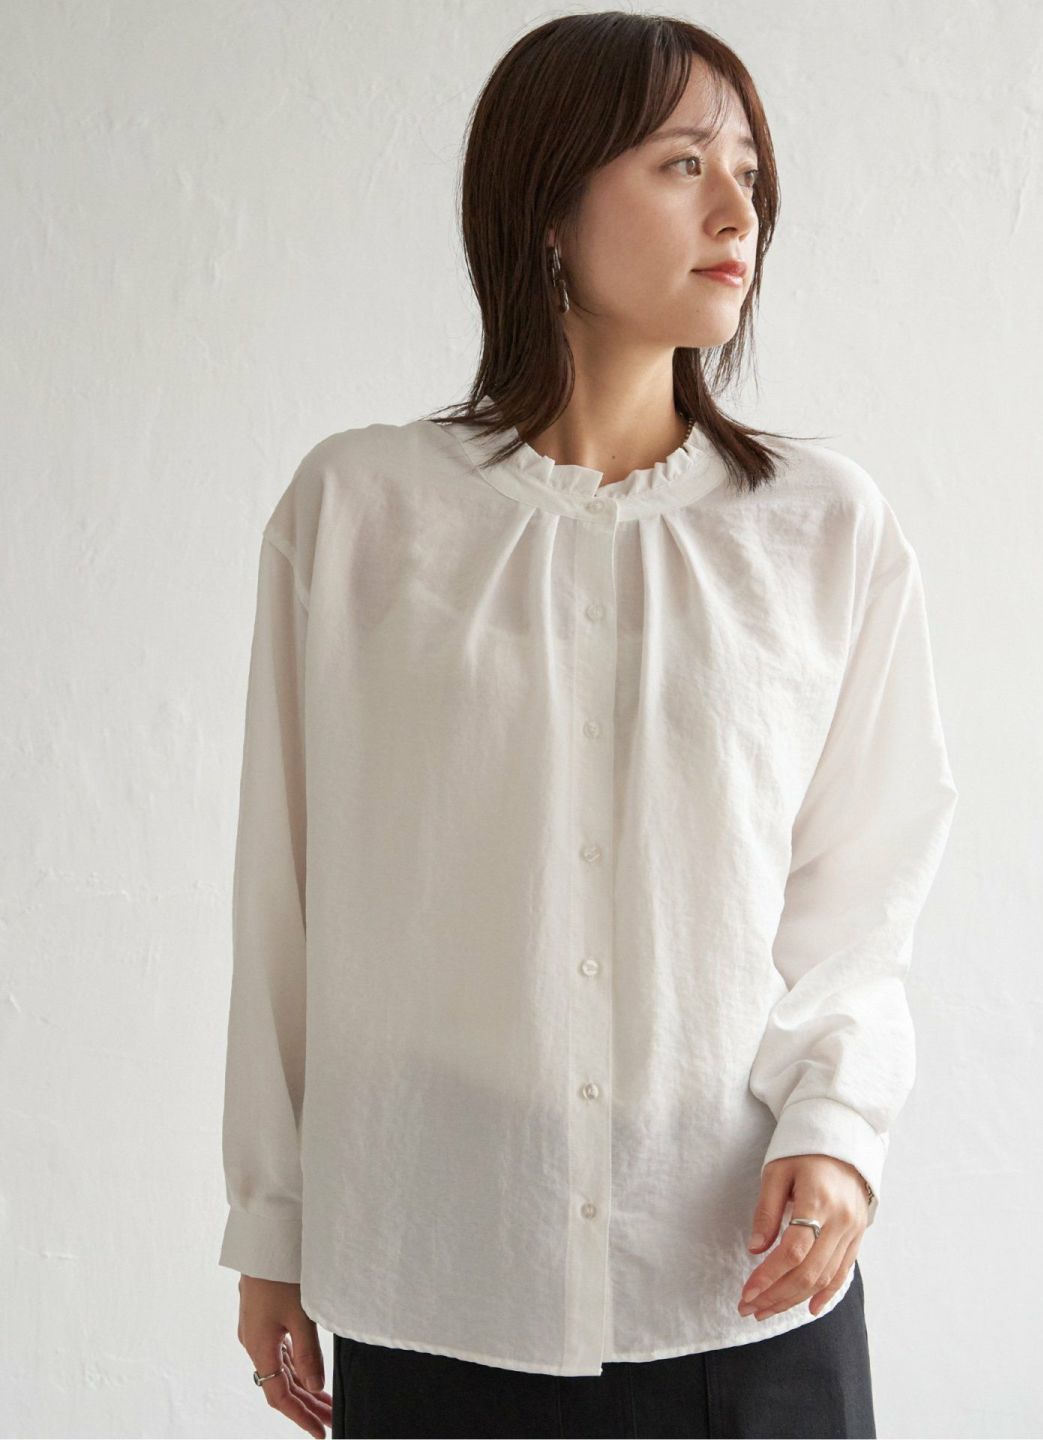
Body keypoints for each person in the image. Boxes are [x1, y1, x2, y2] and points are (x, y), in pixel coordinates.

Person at [218, 12, 959, 1439]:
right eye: (684, 164)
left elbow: (862, 891)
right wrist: (272, 1220)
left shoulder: (824, 529)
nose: (737, 210)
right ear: (548, 205)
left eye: (749, 172)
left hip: (740, 1285)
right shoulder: (358, 515)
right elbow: (284, 897)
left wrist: (840, 1129)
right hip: (443, 1276)